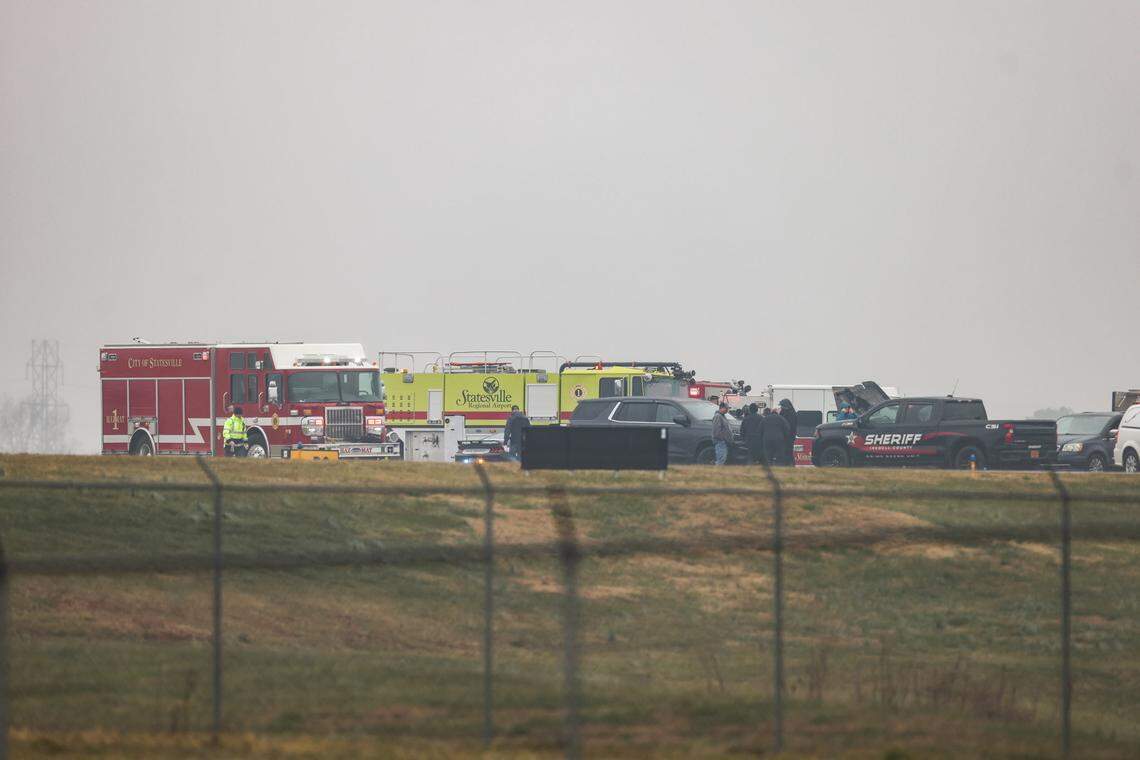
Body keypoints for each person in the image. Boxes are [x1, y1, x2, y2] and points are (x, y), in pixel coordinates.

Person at [778, 398, 798, 466]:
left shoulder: (792, 414)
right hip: (784, 437)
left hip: (789, 437)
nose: (781, 407)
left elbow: (791, 426)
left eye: (782, 406)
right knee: (785, 452)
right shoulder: (783, 412)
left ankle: (791, 465)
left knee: (788, 452)